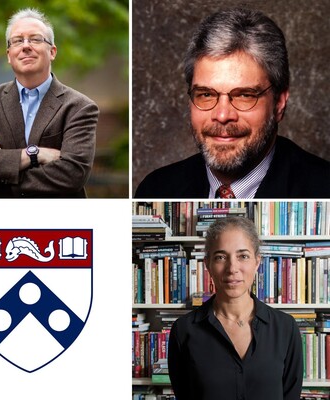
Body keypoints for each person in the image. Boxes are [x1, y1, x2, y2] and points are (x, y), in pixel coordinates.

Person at [134, 8, 330, 199]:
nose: (222, 115)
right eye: (206, 94)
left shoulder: (323, 189)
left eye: (245, 95)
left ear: (279, 103)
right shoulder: (155, 191)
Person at [0, 8, 99, 198]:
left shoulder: (79, 107)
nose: (26, 46)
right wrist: (36, 154)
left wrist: (2, 163)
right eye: (18, 40)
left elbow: (73, 174)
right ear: (9, 55)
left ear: (52, 51)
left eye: (35, 39)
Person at [168, 216, 303, 400]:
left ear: (257, 262)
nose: (232, 268)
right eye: (221, 257)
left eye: (243, 256)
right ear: (207, 264)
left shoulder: (286, 327)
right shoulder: (183, 330)